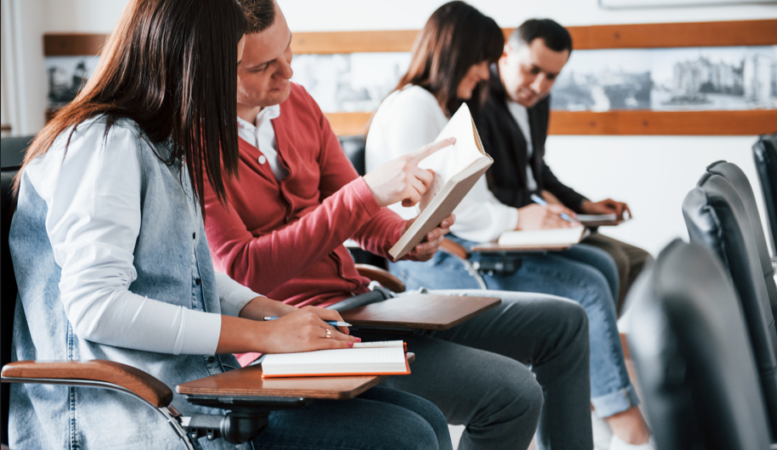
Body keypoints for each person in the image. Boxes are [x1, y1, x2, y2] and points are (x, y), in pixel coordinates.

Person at [7, 1, 452, 448]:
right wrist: (265, 335)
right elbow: (97, 308)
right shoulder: (103, 144)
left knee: (426, 418)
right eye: (232, 67)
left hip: (187, 387)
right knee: (407, 435)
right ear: (190, 65)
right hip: (129, 408)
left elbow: (187, 270)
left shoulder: (162, 141)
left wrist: (272, 311)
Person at [203, 1, 593, 449]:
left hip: (366, 302)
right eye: (263, 67)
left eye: (288, 50)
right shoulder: (194, 140)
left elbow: (359, 212)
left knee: (565, 322)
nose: (288, 72)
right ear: (212, 71)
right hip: (303, 329)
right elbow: (243, 271)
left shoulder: (298, 103)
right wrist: (364, 194)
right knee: (513, 393)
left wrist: (408, 236)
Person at [365, 3, 654, 450]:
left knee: (602, 269)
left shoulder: (435, 107)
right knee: (589, 284)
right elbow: (429, 210)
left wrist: (543, 212)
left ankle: (594, 399)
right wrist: (518, 218)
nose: (486, 73)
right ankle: (620, 418)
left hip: (469, 240)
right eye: (482, 61)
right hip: (444, 256)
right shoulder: (416, 107)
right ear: (458, 54)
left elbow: (477, 198)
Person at [474, 19, 652, 312]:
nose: (539, 86)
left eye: (551, 76)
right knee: (615, 262)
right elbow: (484, 190)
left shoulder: (538, 101)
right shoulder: (477, 99)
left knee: (642, 261)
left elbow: (537, 171)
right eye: (532, 70)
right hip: (508, 224)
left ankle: (590, 334)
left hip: (543, 217)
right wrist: (538, 200)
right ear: (506, 54)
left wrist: (584, 204)